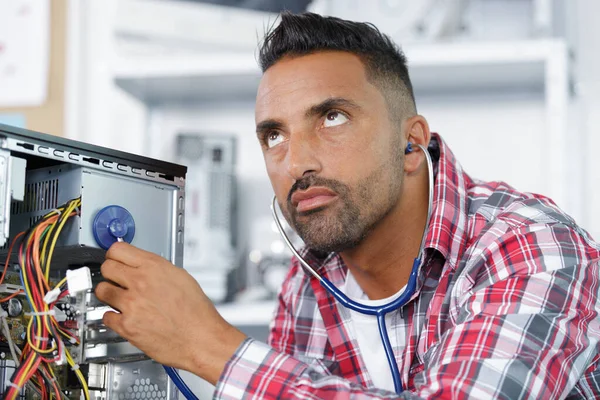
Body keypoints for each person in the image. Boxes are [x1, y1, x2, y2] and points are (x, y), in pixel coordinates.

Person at [95, 11, 600, 399]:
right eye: (274, 135)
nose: (295, 162)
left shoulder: (532, 247)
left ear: (412, 142)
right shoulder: (308, 282)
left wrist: (209, 346)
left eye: (332, 118)